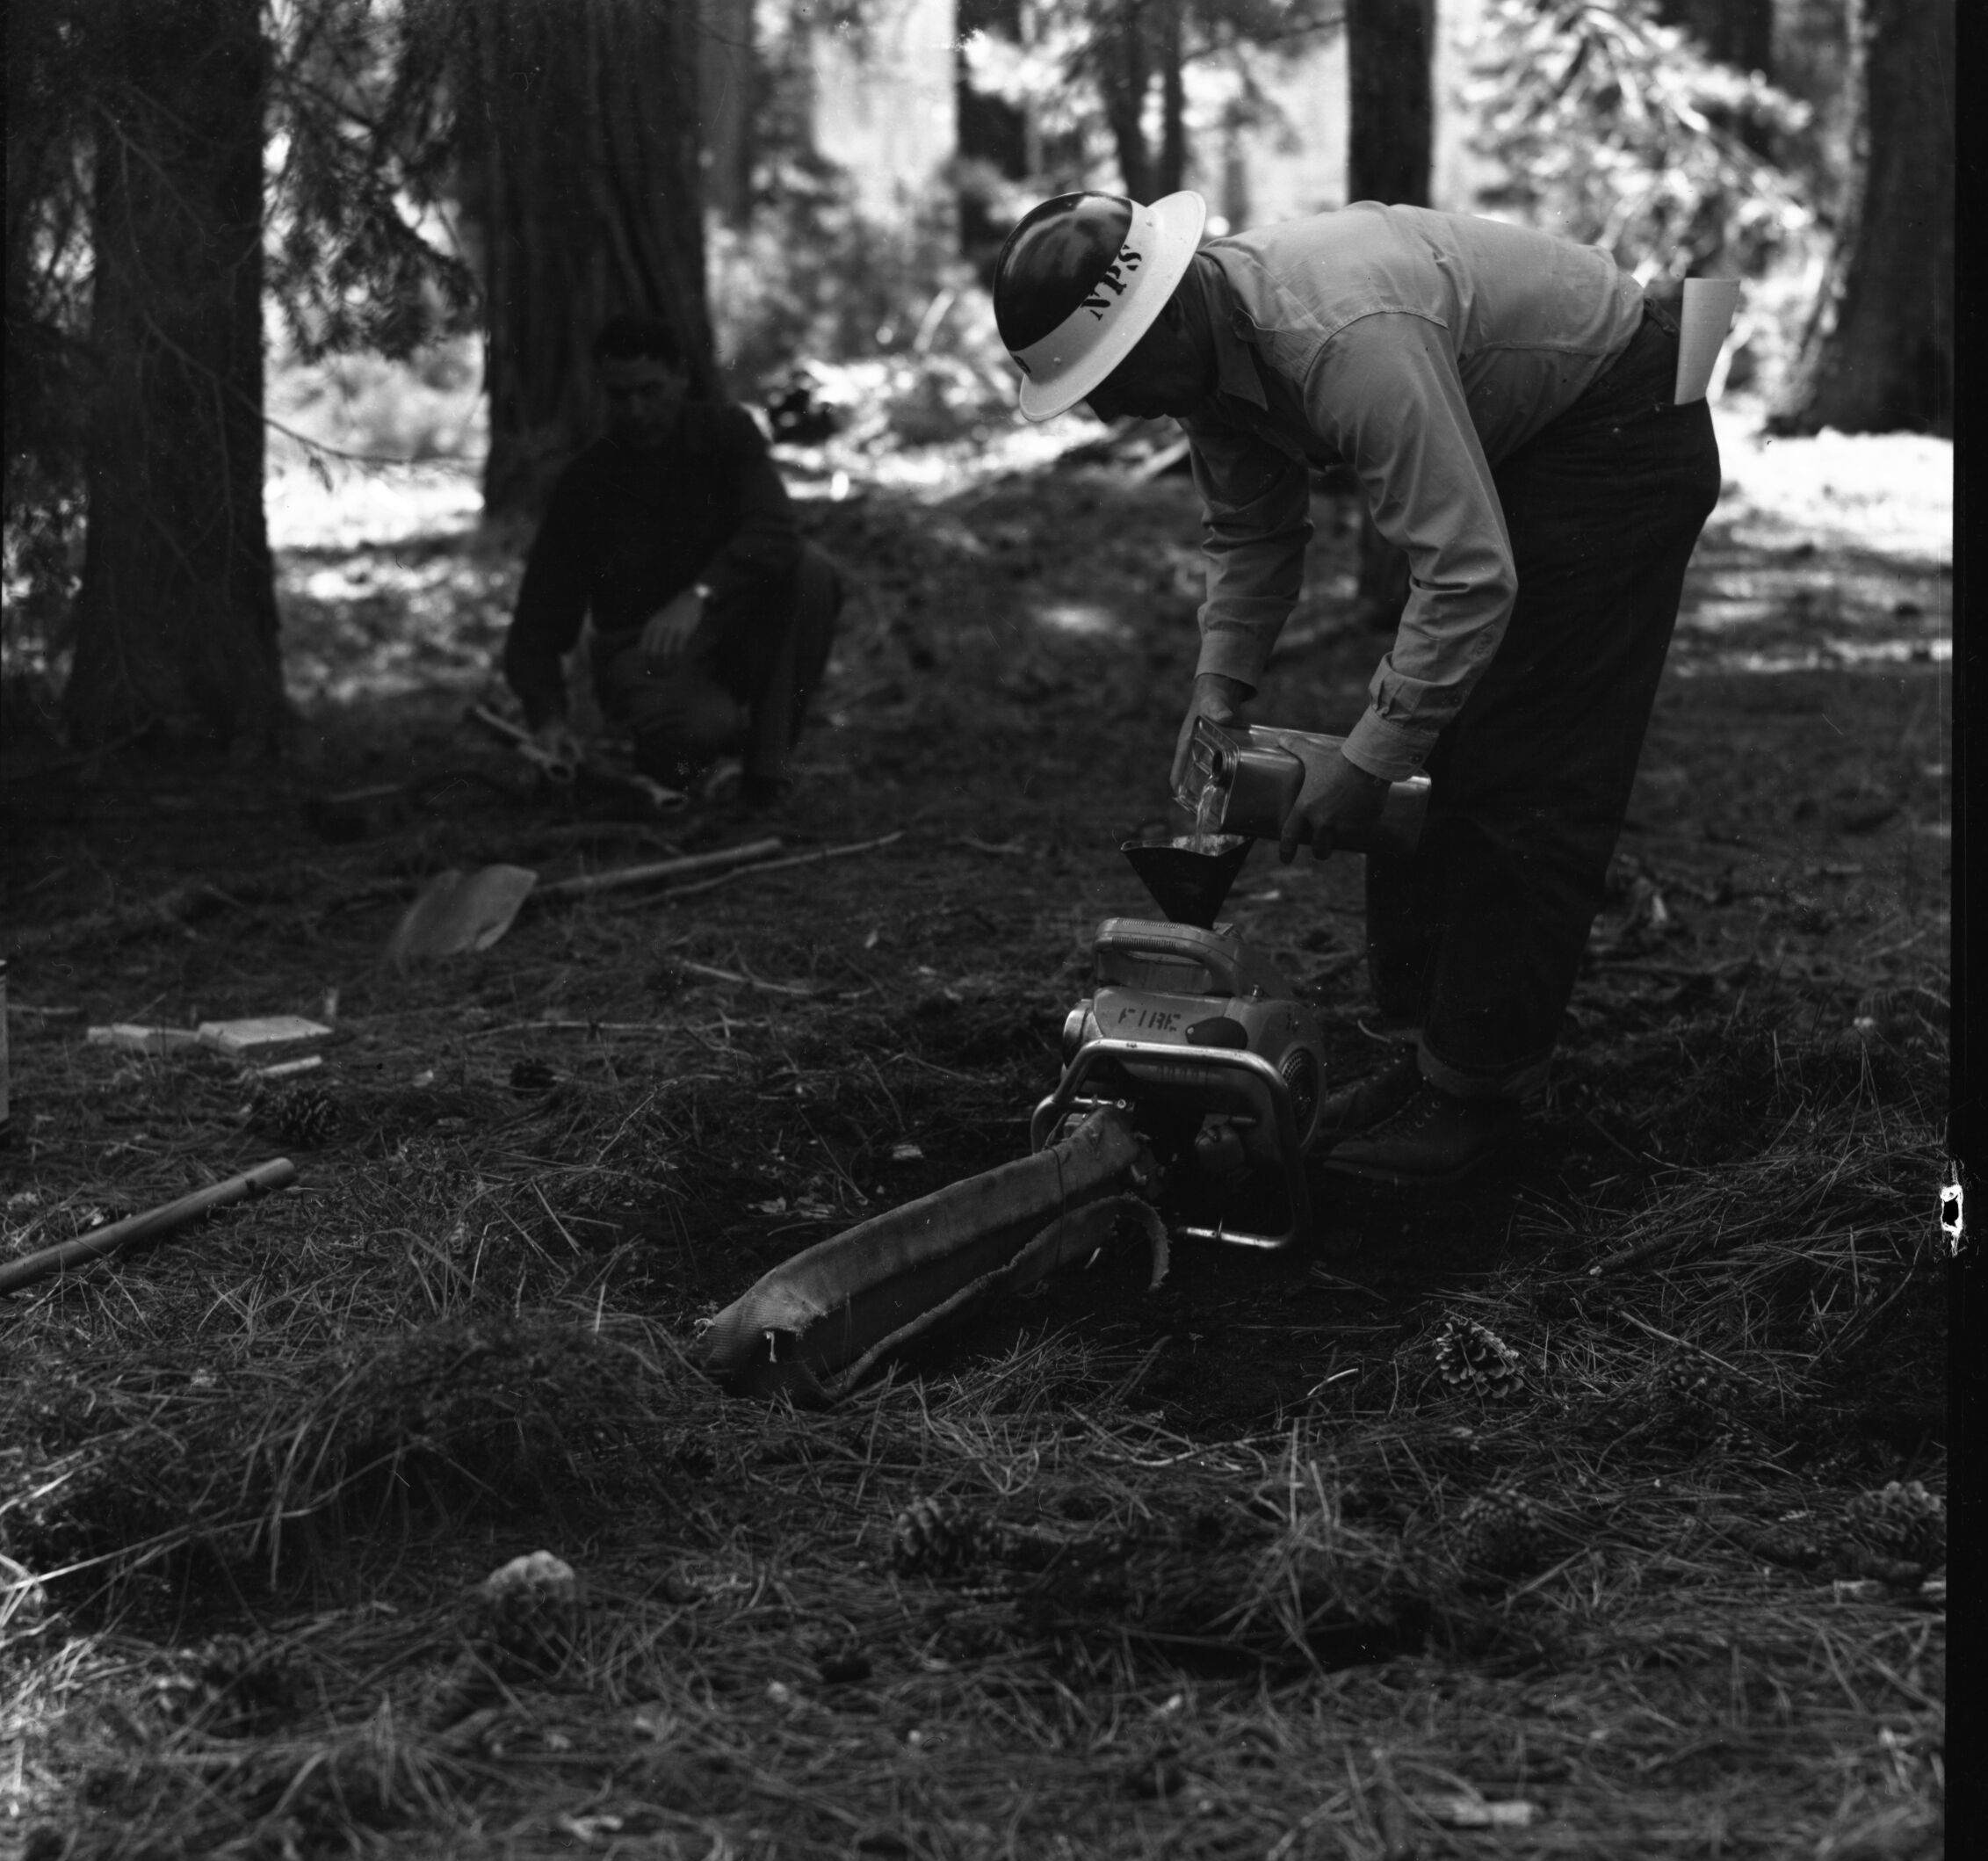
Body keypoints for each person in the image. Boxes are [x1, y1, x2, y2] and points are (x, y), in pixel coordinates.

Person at [992, 192, 1723, 1184]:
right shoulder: (1207, 361)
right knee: (1429, 759)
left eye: (1116, 380)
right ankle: (1418, 1053)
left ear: (1163, 314)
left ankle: (1475, 1096)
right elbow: (1251, 533)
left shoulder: (1340, 339)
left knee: (1521, 764)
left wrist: (1370, 761)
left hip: (1620, 428)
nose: (1122, 410)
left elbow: (1468, 578)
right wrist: (1218, 688)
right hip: (1524, 439)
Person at [501, 313, 843, 811]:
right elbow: (539, 619)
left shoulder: (728, 435)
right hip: (643, 656)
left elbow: (774, 531)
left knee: (812, 570)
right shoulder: (587, 482)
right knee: (697, 729)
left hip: (732, 629)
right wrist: (548, 720)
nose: (637, 410)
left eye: (650, 390)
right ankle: (690, 753)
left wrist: (699, 595)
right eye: (620, 396)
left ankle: (766, 778)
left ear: (681, 376)